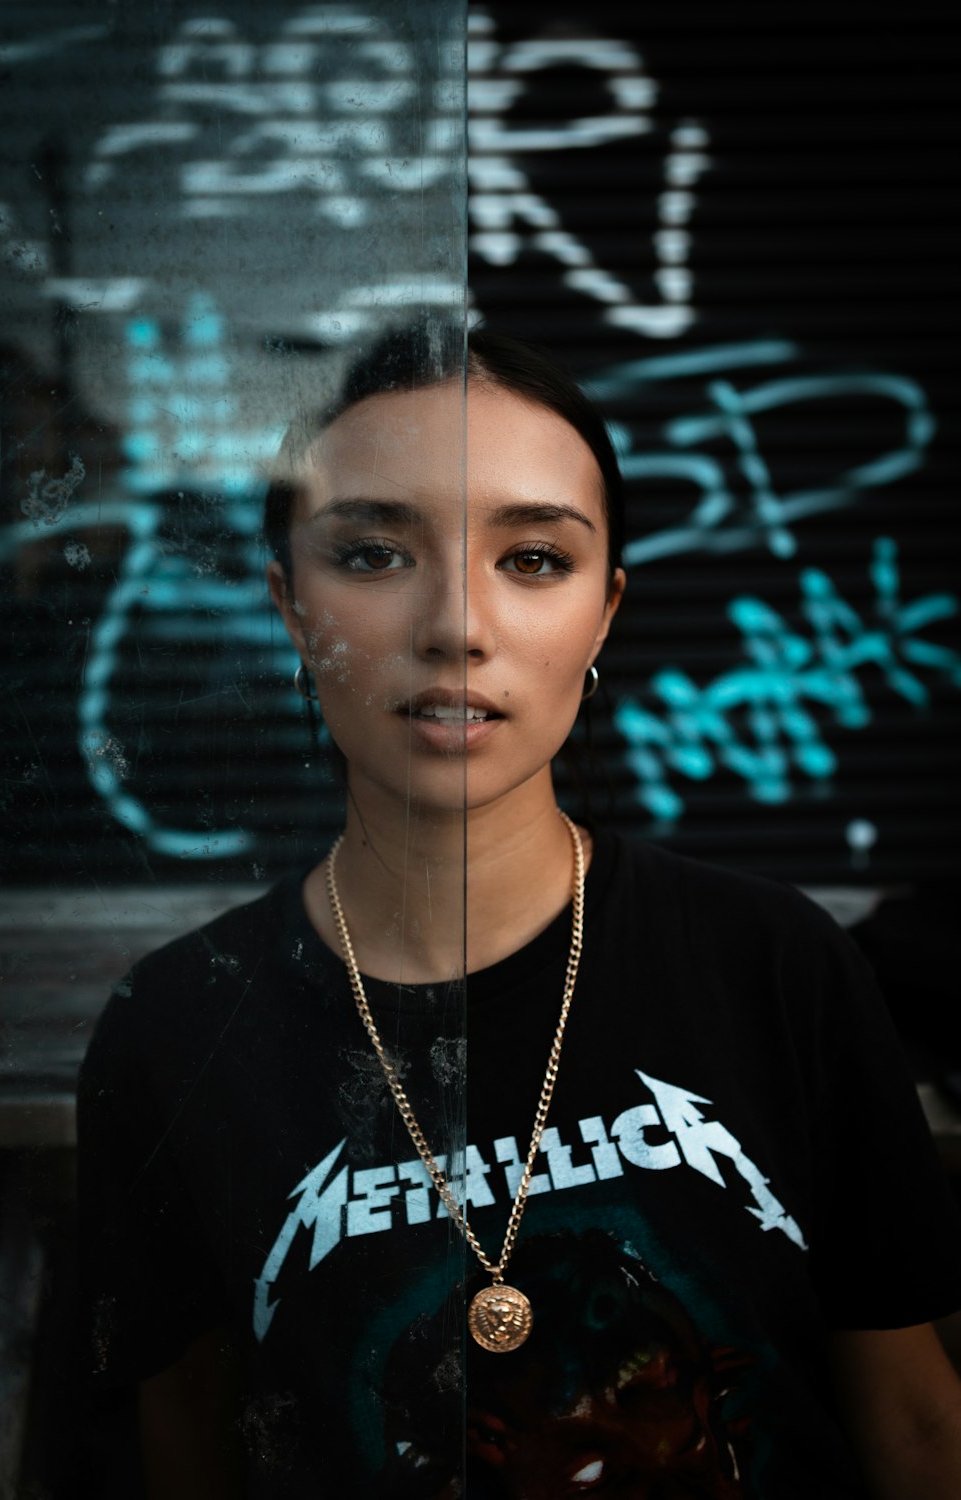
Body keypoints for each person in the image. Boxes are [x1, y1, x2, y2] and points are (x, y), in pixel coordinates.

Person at [78, 324, 961, 1499]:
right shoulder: (177, 1029)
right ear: (293, 611)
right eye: (376, 553)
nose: (457, 626)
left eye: (534, 559)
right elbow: (187, 1454)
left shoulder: (772, 964)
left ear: (603, 614)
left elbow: (911, 1423)